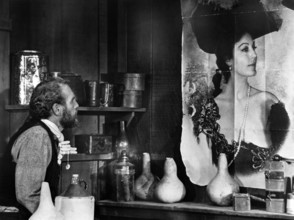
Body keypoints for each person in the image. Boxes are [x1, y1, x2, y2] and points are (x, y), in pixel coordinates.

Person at [180, 0, 290, 189]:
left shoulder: (268, 103)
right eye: (245, 49)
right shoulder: (208, 109)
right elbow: (198, 167)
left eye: (253, 48)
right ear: (228, 59)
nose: (254, 55)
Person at [9, 77, 78, 219]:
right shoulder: (37, 135)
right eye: (72, 101)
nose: (77, 105)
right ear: (57, 109)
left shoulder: (44, 133)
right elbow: (27, 194)